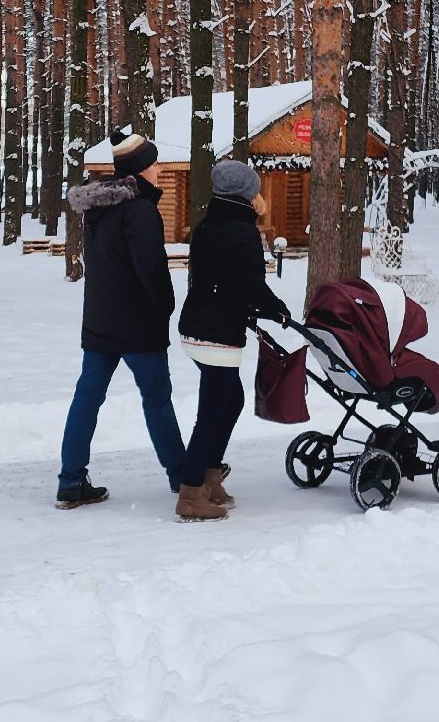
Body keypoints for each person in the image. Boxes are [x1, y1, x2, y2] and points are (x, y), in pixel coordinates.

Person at [55, 129, 187, 509]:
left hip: (100, 319)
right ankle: (182, 475)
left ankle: (70, 479)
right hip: (138, 324)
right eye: (155, 163)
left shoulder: (98, 208)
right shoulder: (140, 210)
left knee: (87, 396)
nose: (159, 169)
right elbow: (151, 269)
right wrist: (165, 306)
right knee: (157, 399)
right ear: (141, 168)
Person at [173, 160, 290, 522]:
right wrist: (277, 310)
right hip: (217, 334)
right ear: (246, 194)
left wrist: (251, 308)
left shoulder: (207, 225)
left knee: (230, 399)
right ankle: (190, 494)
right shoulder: (243, 232)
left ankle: (208, 476)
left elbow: (222, 279)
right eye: (256, 189)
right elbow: (251, 285)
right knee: (213, 412)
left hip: (197, 327)